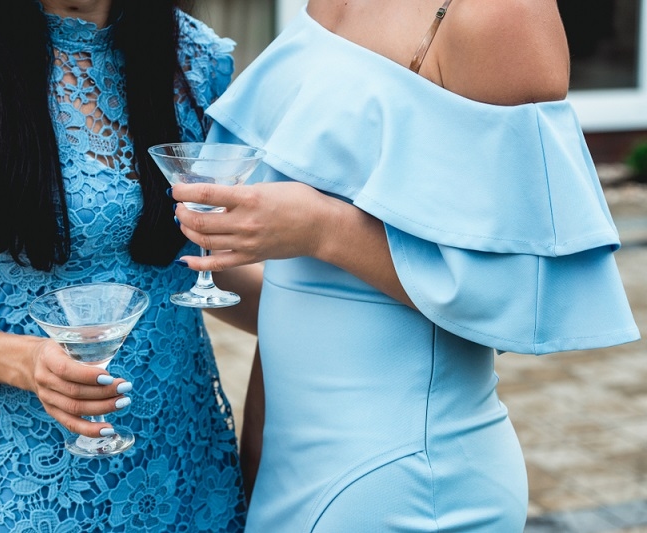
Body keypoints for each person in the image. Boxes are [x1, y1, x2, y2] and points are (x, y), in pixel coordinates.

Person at [170, 0, 642, 530]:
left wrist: (324, 228)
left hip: (403, 480)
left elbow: (528, 289)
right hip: (284, 460)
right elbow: (302, 294)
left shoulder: (502, 13)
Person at [0, 0, 257, 530]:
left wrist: (335, 301)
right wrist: (26, 362)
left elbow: (186, 262)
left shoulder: (192, 58)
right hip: (38, 490)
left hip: (189, 465)